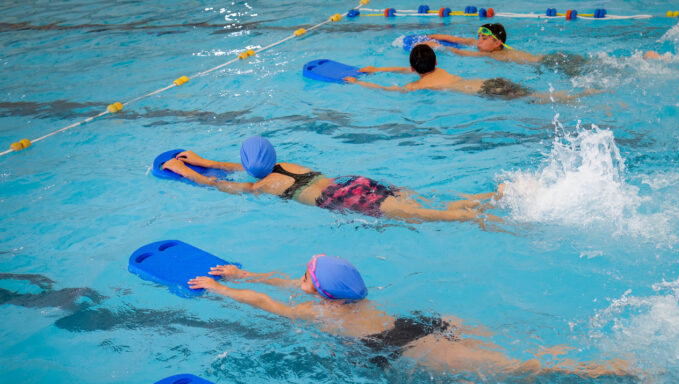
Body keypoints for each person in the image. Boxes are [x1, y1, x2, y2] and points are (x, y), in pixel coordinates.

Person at [187, 254, 635, 378]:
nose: (298, 277)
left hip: (404, 345)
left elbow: (266, 303)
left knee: (513, 367)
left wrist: (221, 290)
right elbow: (284, 283)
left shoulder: (319, 314)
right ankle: (584, 357)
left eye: (306, 275)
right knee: (500, 345)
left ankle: (602, 370)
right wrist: (241, 273)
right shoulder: (347, 297)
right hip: (417, 323)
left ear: (322, 292)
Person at [160, 136, 494, 223]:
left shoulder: (262, 185)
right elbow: (241, 165)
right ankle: (481, 199)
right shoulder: (285, 165)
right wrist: (207, 160)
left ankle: (474, 217)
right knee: (423, 204)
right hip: (354, 183)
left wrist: (187, 171)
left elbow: (219, 185)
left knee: (427, 217)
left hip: (348, 200)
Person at [346, 44, 599, 103]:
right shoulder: (440, 70)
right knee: (536, 94)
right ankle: (586, 91)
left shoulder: (418, 86)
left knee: (537, 99)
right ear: (435, 61)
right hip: (488, 82)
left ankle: (582, 95)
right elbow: (407, 69)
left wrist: (359, 82)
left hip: (487, 92)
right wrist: (377, 69)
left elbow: (391, 89)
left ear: (414, 70)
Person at [422, 22, 663, 72]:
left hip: (552, 63)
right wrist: (433, 35)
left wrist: (439, 48)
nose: (478, 40)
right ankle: (643, 60)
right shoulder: (488, 47)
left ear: (497, 43)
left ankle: (643, 61)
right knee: (597, 66)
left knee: (600, 68)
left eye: (484, 38)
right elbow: (461, 41)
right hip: (551, 60)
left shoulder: (498, 56)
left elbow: (461, 51)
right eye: (478, 37)